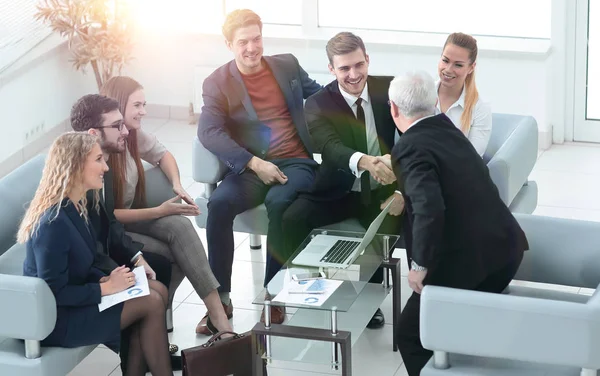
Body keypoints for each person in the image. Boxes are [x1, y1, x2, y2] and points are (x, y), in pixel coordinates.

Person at [387, 71, 528, 375]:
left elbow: (429, 207)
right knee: (450, 329)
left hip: (471, 263)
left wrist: (419, 266)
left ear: (394, 109)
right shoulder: (447, 128)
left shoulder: (408, 147)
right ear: (434, 102)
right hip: (505, 252)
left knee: (410, 335)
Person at [71, 89, 233, 337]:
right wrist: (139, 249)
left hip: (115, 232)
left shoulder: (107, 157)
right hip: (101, 250)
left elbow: (108, 222)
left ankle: (218, 318)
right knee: (172, 256)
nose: (127, 130)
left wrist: (176, 185)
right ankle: (155, 325)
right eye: (118, 124)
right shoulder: (83, 175)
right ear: (94, 133)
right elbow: (104, 228)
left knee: (179, 227)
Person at [198, 9, 322, 326]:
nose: (252, 48)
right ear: (229, 44)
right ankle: (221, 299)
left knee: (279, 203)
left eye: (256, 39)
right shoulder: (217, 83)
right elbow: (209, 132)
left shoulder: (287, 65)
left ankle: (274, 293)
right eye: (243, 42)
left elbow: (322, 97)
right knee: (219, 204)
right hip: (252, 167)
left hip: (296, 162)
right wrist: (253, 162)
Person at [19, 132, 173, 376]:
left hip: (78, 301)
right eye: (99, 160)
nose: (106, 167)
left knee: (157, 290)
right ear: (77, 165)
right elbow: (53, 292)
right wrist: (106, 288)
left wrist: (108, 277)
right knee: (151, 302)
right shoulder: (53, 223)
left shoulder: (78, 205)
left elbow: (82, 262)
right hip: (58, 320)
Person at [281, 32, 403, 329]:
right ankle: (308, 285)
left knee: (385, 231)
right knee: (292, 218)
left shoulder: (391, 89)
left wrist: (402, 188)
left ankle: (372, 299)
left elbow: (414, 139)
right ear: (331, 69)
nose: (354, 74)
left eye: (359, 65)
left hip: (381, 189)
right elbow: (332, 147)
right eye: (344, 68)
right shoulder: (318, 103)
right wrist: (364, 162)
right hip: (338, 188)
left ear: (367, 60)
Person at [436, 32, 492, 156]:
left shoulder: (480, 108)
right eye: (445, 60)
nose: (448, 69)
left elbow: (471, 159)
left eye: (458, 65)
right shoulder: (421, 94)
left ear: (471, 68)